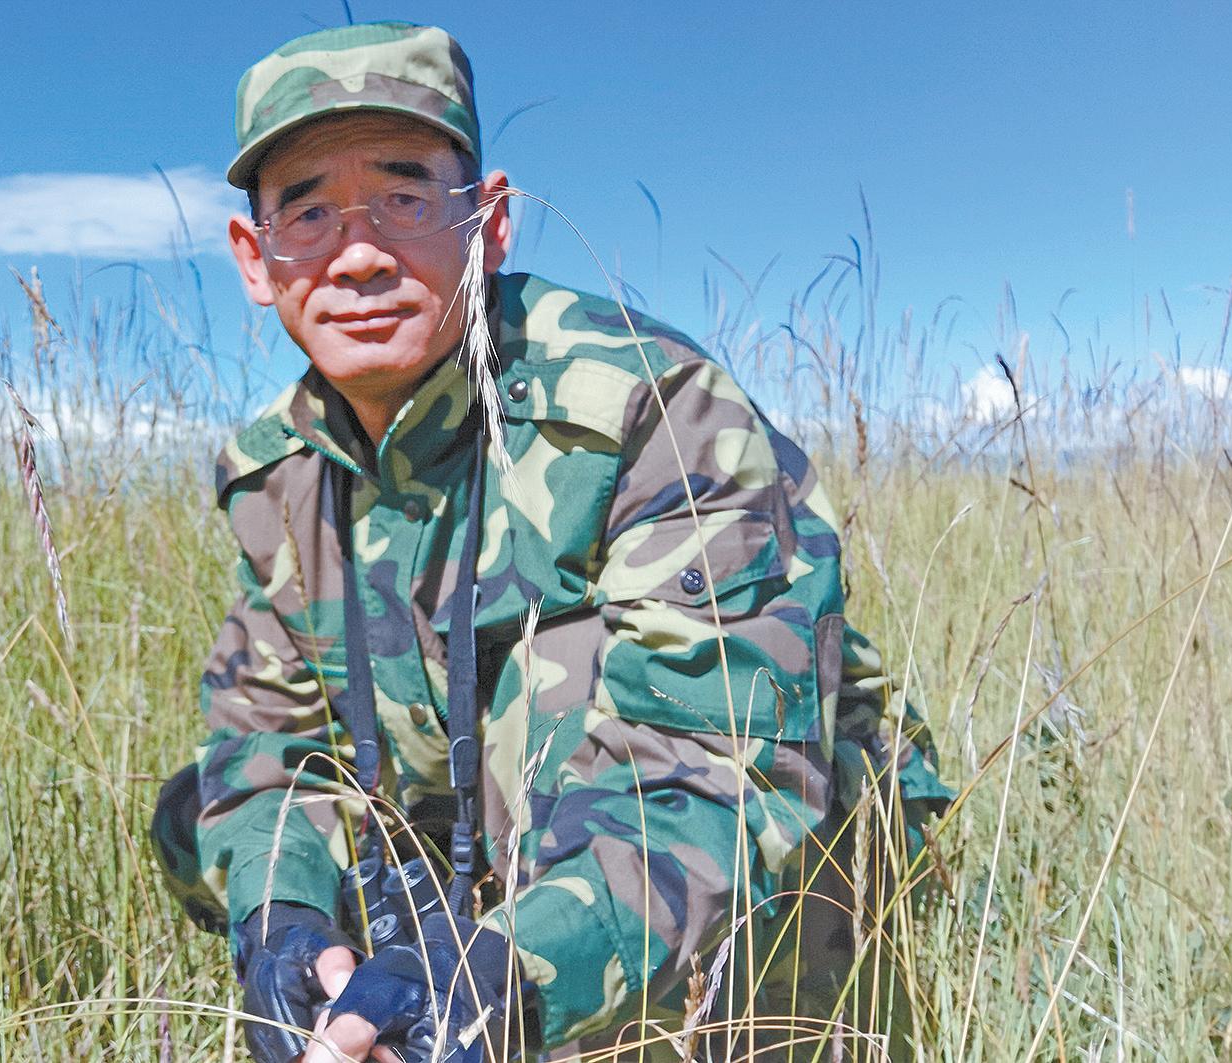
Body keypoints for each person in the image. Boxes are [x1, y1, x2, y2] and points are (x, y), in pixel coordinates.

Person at [147, 21, 952, 1062]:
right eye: (307, 212)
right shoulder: (283, 474)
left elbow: (717, 762)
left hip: (770, 831)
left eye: (403, 198)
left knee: (552, 679)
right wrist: (282, 925)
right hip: (508, 830)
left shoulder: (640, 408)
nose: (355, 255)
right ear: (256, 260)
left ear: (486, 225)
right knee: (195, 815)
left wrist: (508, 976)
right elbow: (264, 747)